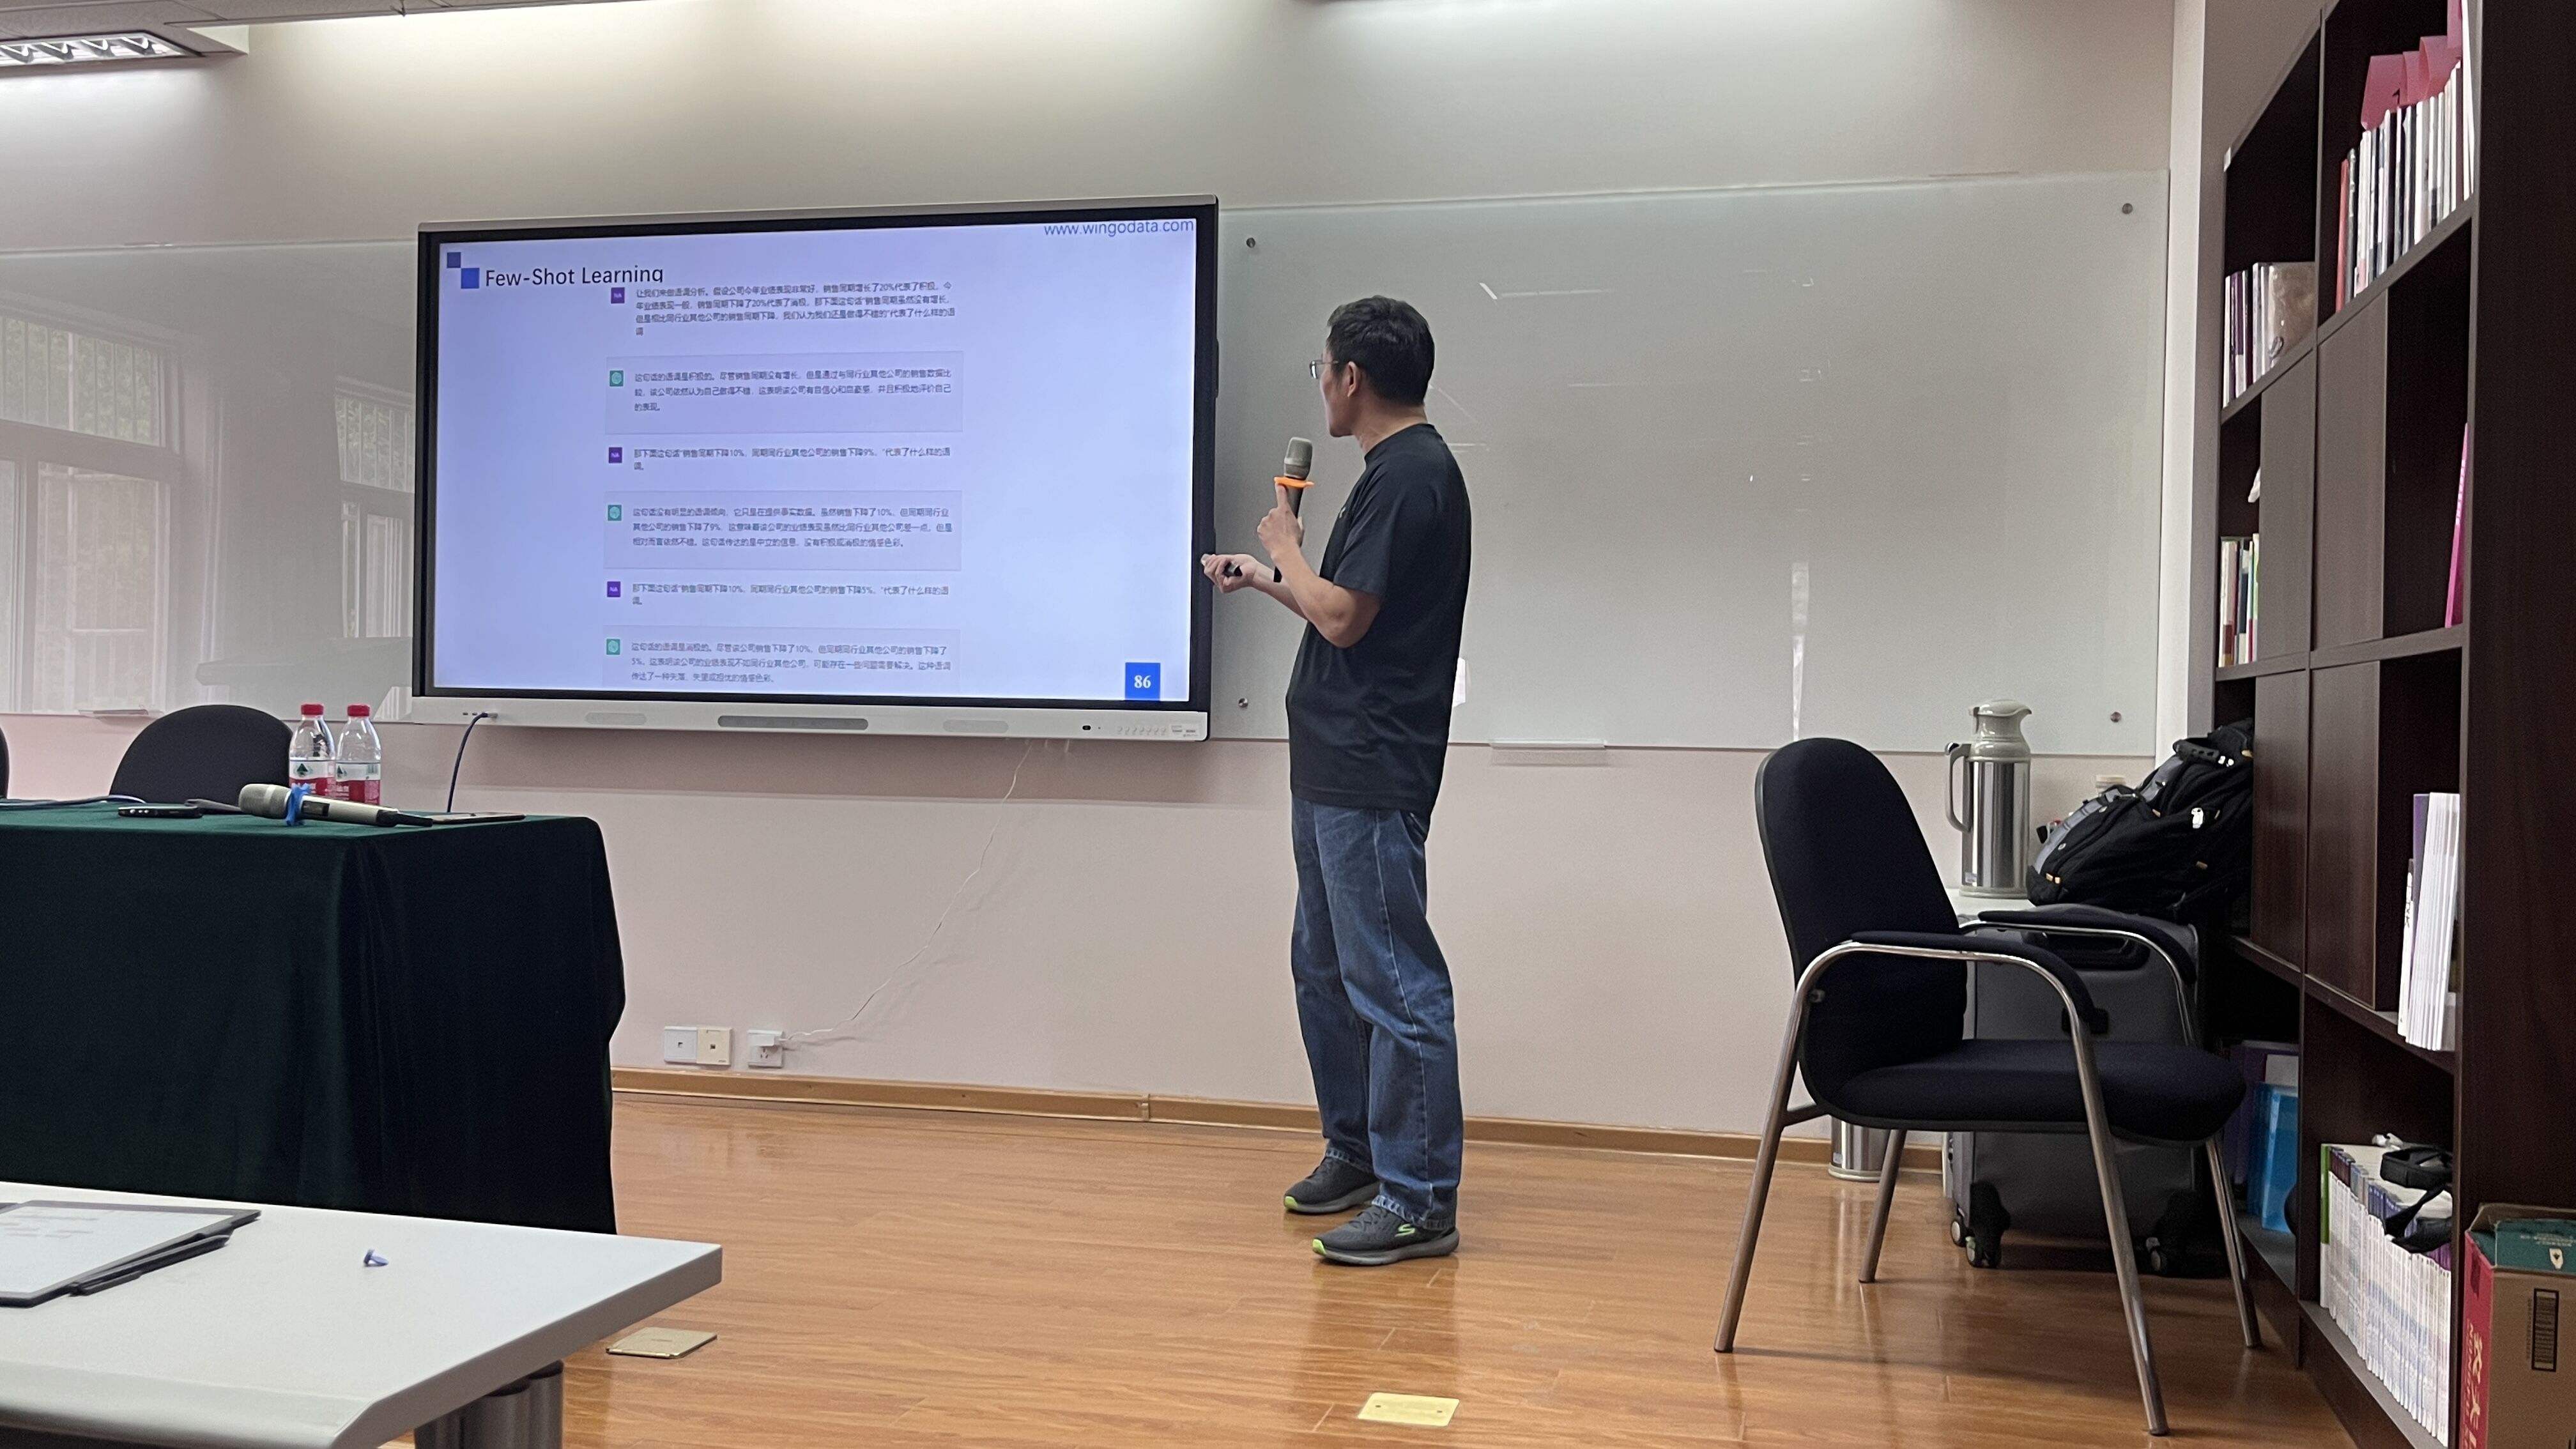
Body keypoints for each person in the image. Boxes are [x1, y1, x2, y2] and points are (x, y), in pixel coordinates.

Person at [1199, 296, 1473, 1266]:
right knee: (1325, 969)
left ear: (1352, 377)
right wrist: (1267, 575)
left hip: (1370, 766)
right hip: (1329, 763)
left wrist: (1285, 548)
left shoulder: (1412, 474)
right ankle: (1357, 1153)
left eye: (1323, 367)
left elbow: (1347, 620)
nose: (1320, 383)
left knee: (1393, 982)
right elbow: (1339, 610)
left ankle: (1419, 1199)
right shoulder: (1387, 471)